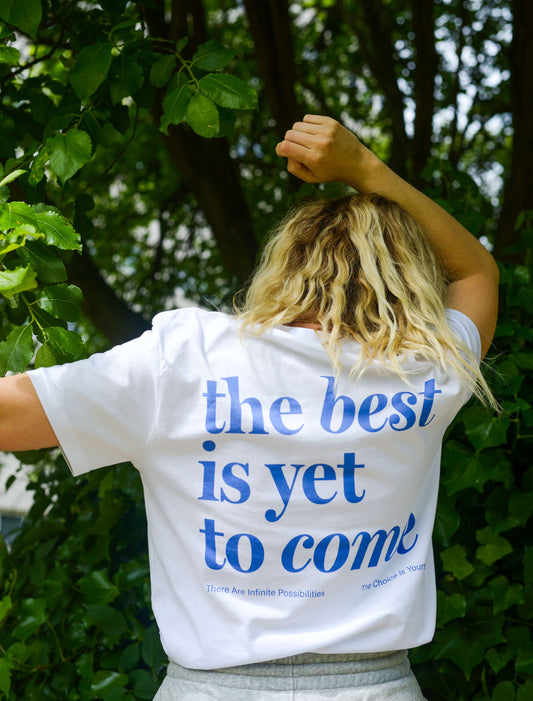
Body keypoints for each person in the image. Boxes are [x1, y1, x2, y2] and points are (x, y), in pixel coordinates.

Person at [0, 115, 499, 700]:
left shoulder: (185, 359)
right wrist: (365, 168)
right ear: (408, 281)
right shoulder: (428, 368)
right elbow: (475, 270)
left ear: (283, 264)